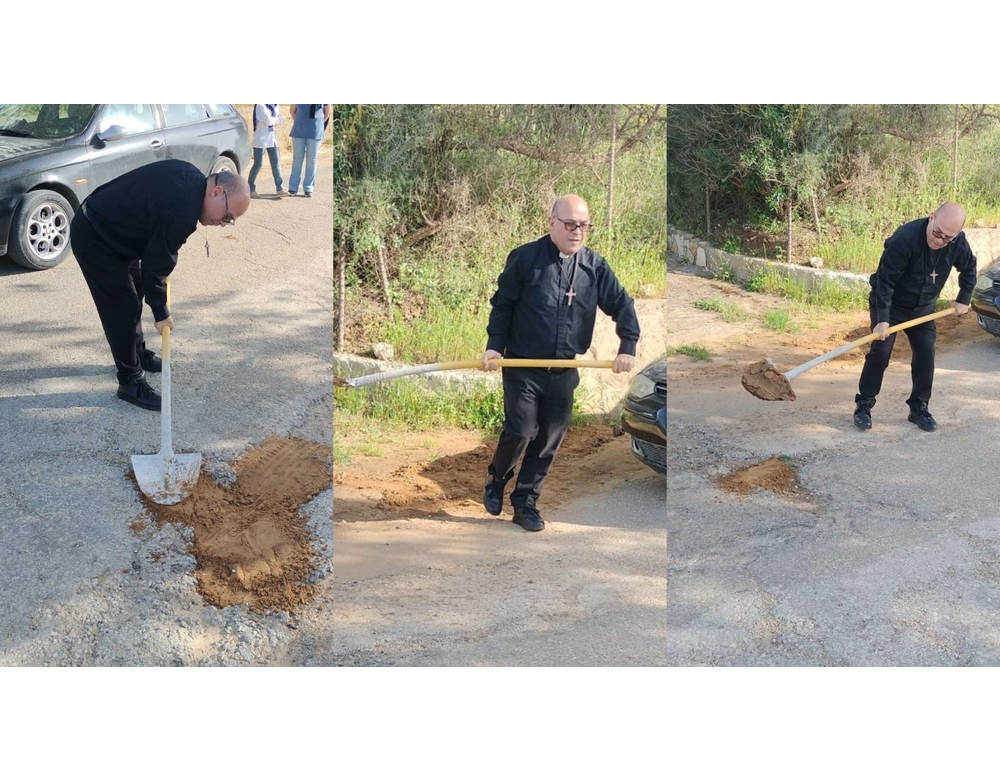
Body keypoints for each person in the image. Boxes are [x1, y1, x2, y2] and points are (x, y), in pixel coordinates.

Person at [481, 194, 641, 532]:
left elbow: (622, 303)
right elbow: (503, 305)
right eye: (570, 224)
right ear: (551, 222)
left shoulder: (595, 267)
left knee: (549, 440)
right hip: (522, 366)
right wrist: (494, 347)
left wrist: (628, 344)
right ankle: (497, 477)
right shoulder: (525, 259)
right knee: (522, 430)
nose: (577, 231)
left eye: (584, 225)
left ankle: (525, 503)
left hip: (564, 369)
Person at [71, 159, 251, 411]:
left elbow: (156, 261)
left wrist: (155, 300)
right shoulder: (183, 211)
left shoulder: (192, 177)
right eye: (228, 216)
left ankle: (137, 354)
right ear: (217, 192)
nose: (223, 224)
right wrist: (161, 313)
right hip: (95, 234)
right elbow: (157, 265)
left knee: (136, 292)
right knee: (121, 306)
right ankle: (130, 381)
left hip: (119, 231)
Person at [853, 202, 977, 433]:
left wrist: (964, 297)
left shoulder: (957, 242)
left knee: (926, 354)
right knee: (880, 353)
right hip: (891, 305)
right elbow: (885, 281)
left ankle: (919, 407)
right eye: (938, 233)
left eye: (947, 238)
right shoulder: (905, 238)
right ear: (931, 218)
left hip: (923, 308)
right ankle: (864, 404)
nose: (940, 241)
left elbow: (969, 267)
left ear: (957, 235)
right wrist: (882, 318)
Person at [287, 104, 331, 197]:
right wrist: (301, 122)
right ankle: (293, 188)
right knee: (297, 159)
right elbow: (292, 111)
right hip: (299, 130)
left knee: (312, 160)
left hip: (315, 131)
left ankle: (308, 187)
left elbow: (327, 113)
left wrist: (317, 124)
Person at [248, 104, 287, 199]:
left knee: (276, 163)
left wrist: (274, 121)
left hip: (272, 139)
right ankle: (250, 188)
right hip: (261, 139)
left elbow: (280, 119)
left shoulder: (275, 105)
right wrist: (275, 120)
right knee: (258, 163)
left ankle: (280, 188)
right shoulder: (260, 105)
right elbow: (267, 120)